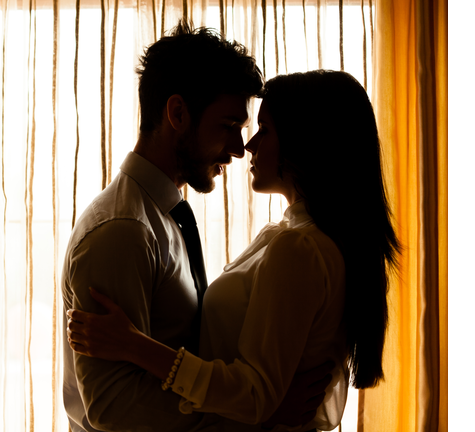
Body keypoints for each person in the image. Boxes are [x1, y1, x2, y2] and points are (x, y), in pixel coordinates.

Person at [67, 70, 401, 431]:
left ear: (307, 141)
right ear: (176, 114)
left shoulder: (300, 247)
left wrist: (135, 346)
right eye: (231, 125)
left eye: (264, 130)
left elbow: (256, 395)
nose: (247, 147)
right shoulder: (293, 237)